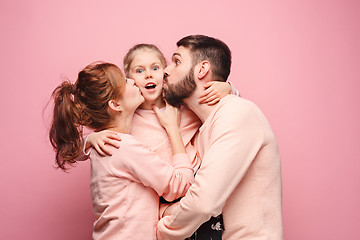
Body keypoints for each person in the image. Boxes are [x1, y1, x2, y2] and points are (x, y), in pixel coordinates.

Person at [85, 44, 239, 239]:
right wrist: (90, 138)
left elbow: (229, 109)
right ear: (128, 81)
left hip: (192, 190)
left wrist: (228, 88)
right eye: (139, 71)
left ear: (165, 73)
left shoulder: (183, 109)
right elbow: (100, 142)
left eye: (155, 68)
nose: (149, 75)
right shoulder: (127, 118)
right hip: (161, 200)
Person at [49, 62, 195, 239]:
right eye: (126, 81)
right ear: (115, 105)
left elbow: (70, 150)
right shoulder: (122, 146)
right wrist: (174, 131)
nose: (133, 81)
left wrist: (89, 139)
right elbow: (179, 186)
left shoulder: (102, 143)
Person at [157, 35, 283, 240]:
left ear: (202, 69)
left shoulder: (237, 112)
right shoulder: (202, 129)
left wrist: (160, 221)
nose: (166, 70)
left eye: (177, 61)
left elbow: (204, 202)